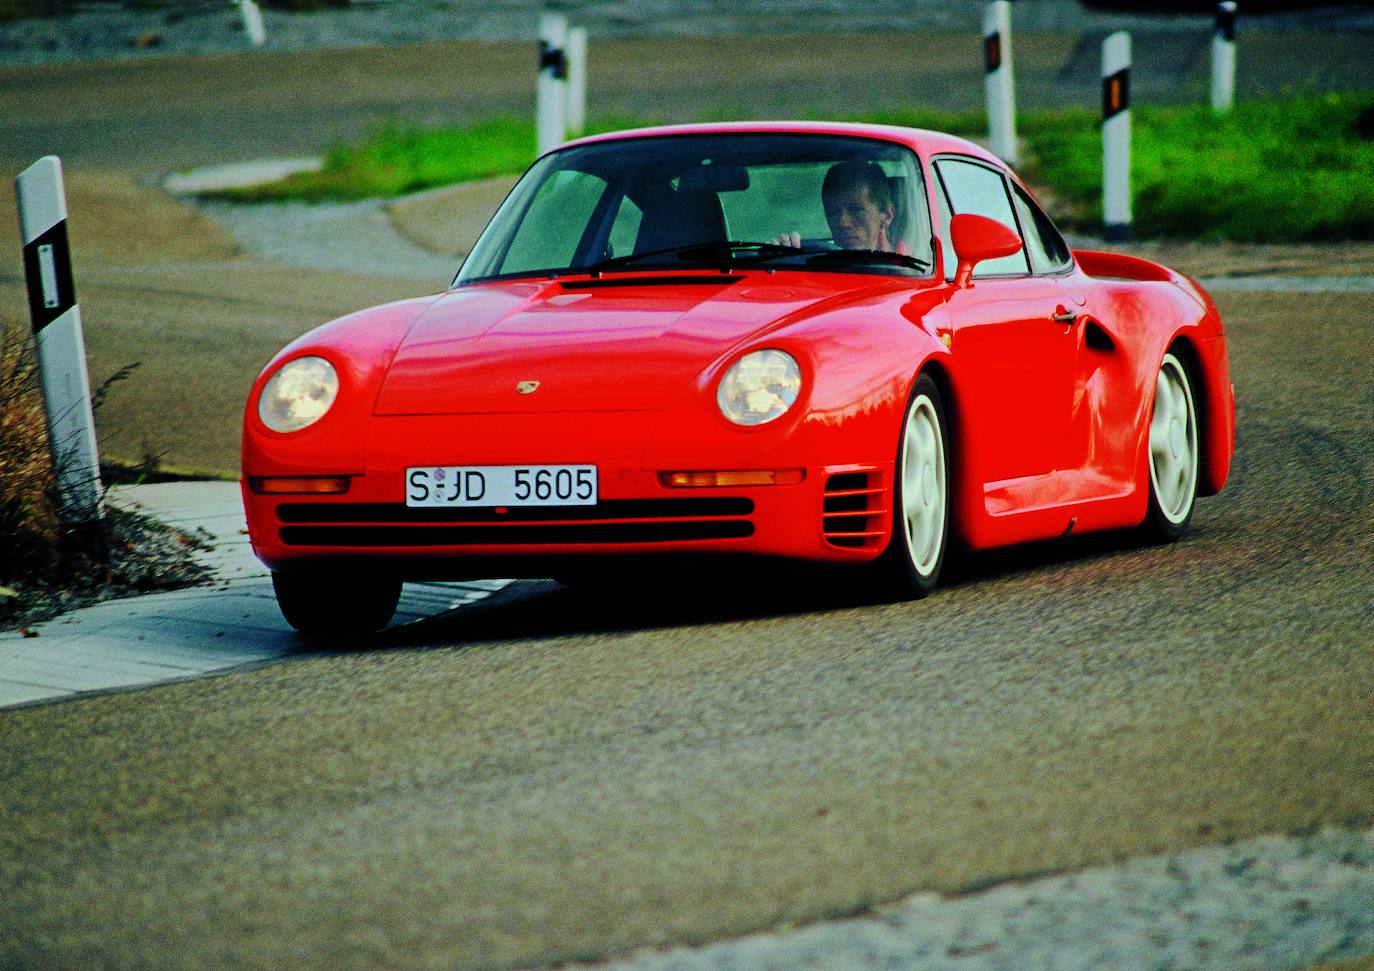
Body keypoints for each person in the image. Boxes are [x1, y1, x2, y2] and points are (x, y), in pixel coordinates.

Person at [773, 160, 899, 252]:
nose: (842, 223)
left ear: (887, 216)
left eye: (856, 210)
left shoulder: (913, 267)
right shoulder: (820, 266)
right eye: (833, 212)